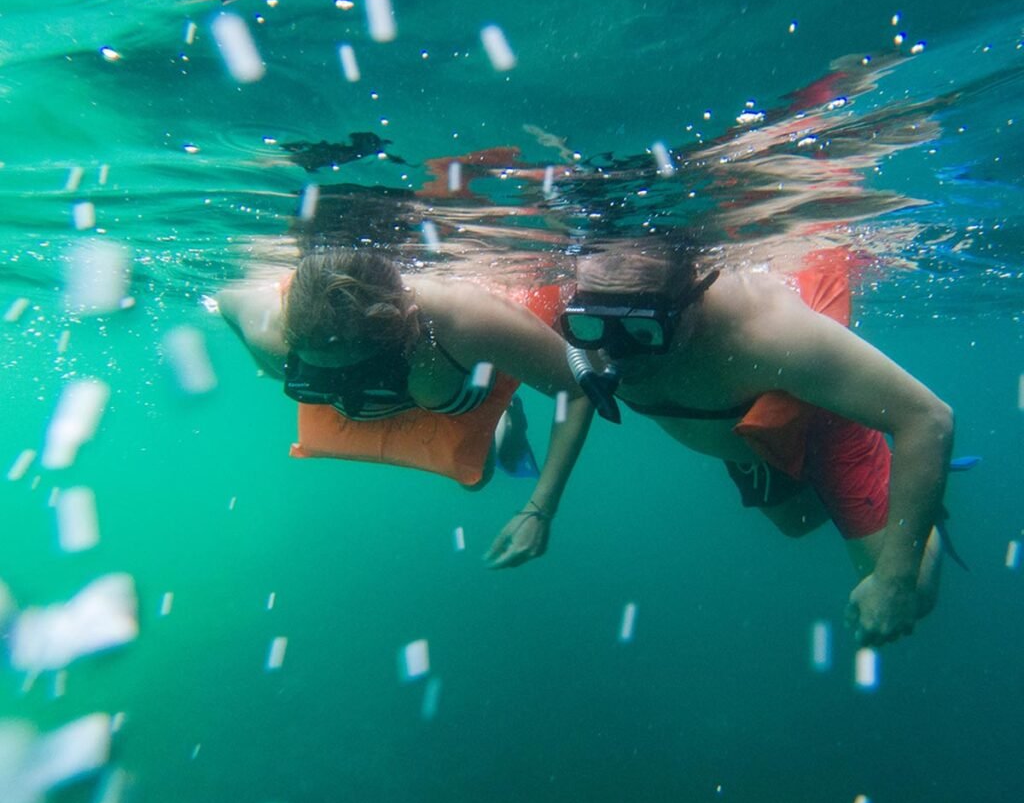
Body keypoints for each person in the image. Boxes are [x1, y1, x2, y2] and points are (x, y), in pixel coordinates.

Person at [559, 241, 954, 647]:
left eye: (644, 329)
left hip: (818, 410)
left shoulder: (768, 333)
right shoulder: (581, 331)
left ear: (696, 296)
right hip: (739, 427)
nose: (617, 351)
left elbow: (927, 418)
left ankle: (901, 473)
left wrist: (894, 581)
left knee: (917, 589)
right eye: (593, 324)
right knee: (795, 524)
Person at [216, 248, 593, 567]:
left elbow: (577, 388)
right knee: (476, 477)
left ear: (408, 324)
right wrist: (266, 365)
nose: (353, 391)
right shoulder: (269, 327)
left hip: (447, 380)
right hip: (426, 377)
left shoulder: (462, 319)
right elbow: (225, 302)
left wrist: (540, 509)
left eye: (368, 370)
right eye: (324, 376)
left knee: (477, 477)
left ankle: (505, 416)